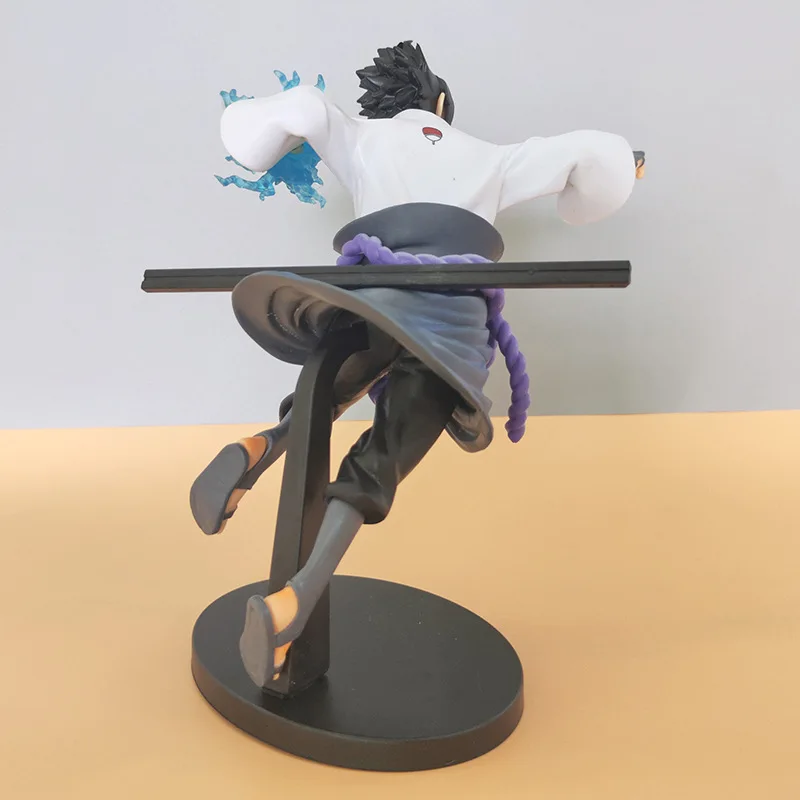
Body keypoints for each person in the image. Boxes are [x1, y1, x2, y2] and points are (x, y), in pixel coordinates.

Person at [190, 41, 644, 689]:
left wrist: (264, 132)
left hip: (368, 295)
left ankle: (259, 447)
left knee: (339, 376)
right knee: (384, 453)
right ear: (441, 104)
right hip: (448, 321)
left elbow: (307, 110)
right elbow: (578, 154)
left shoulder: (361, 136)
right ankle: (293, 603)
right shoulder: (491, 156)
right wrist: (624, 165)